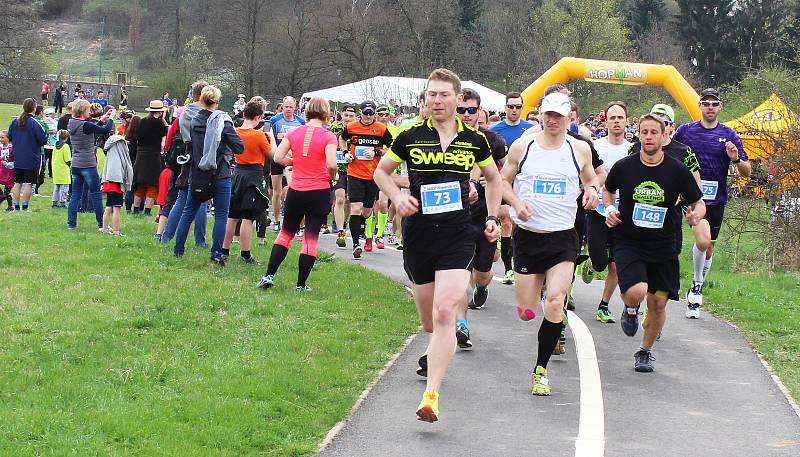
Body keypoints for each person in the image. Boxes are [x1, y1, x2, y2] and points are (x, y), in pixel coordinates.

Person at [374, 68, 502, 423]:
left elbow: (493, 178)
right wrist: (397, 195)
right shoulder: (409, 135)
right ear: (425, 99)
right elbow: (381, 172)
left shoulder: (475, 140)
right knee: (430, 318)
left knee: (446, 312)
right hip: (418, 234)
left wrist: (492, 217)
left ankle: (430, 395)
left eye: (444, 95)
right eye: (431, 94)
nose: (437, 100)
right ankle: (435, 346)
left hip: (458, 235)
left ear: (457, 99)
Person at [501, 92, 600, 395]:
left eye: (560, 115)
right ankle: (542, 301)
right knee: (526, 310)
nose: (554, 120)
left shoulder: (579, 149)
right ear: (541, 115)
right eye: (549, 115)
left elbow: (591, 179)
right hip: (530, 237)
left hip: (563, 238)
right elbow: (503, 181)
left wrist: (592, 191)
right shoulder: (523, 146)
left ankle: (540, 370)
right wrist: (516, 204)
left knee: (556, 300)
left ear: (570, 117)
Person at [604, 114, 705, 372]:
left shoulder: (677, 170)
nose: (648, 137)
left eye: (653, 132)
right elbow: (608, 189)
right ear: (638, 135)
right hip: (629, 241)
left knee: (658, 303)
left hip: (664, 246)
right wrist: (609, 210)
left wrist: (696, 214)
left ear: (663, 137)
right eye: (644, 132)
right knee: (637, 292)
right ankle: (630, 308)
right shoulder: (625, 166)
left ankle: (645, 351)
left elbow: (699, 202)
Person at [673, 88, 751, 318]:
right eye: (705, 103)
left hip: (716, 198)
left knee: (709, 247)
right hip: (691, 197)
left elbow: (746, 172)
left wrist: (735, 158)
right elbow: (670, 155)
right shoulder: (685, 131)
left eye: (714, 104)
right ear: (699, 105)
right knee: (702, 238)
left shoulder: (729, 134)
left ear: (720, 106)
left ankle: (696, 287)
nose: (710, 107)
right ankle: (696, 288)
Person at [256, 96, 337, 291]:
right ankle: (300, 285)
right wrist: (332, 177)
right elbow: (332, 163)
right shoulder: (328, 136)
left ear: (306, 111)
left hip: (296, 191)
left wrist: (296, 161)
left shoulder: (294, 132)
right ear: (326, 113)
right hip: (318, 191)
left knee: (285, 234)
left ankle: (268, 276)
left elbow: (277, 157)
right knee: (310, 238)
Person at [456, 87, 508, 349]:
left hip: (484, 216)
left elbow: (505, 173)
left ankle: (483, 288)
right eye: (461, 110)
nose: (466, 115)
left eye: (471, 110)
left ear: (480, 111)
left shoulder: (492, 140)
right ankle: (461, 324)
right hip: (457, 218)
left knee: (483, 274)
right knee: (460, 275)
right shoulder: (446, 140)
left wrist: (497, 212)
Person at [173, 85, 244, 265]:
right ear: (217, 102)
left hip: (198, 172)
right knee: (221, 214)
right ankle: (216, 253)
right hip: (220, 173)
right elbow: (239, 147)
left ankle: (178, 249)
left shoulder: (193, 119)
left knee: (188, 211)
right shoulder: (222, 121)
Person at [586, 101, 632, 323]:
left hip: (621, 213)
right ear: (605, 121)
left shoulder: (632, 149)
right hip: (598, 211)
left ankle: (604, 305)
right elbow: (586, 175)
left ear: (626, 121)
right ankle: (591, 263)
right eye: (612, 118)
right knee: (600, 262)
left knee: (617, 264)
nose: (616, 122)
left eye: (620, 118)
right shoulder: (595, 146)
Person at [340, 100, 393, 258]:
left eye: (371, 113)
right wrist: (345, 153)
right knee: (355, 208)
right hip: (355, 173)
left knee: (367, 210)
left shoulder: (381, 129)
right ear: (360, 113)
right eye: (365, 113)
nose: (368, 116)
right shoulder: (352, 127)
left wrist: (377, 153)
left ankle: (365, 230)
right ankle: (356, 244)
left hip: (373, 175)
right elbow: (342, 139)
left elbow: (390, 147)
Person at [491, 92, 535, 285]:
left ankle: (520, 260)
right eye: (511, 106)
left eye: (518, 106)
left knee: (519, 225)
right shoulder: (495, 130)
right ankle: (509, 269)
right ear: (505, 107)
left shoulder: (531, 130)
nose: (514, 110)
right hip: (504, 182)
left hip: (525, 185)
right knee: (508, 220)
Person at [160, 80, 209, 247]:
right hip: (201, 158)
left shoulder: (183, 113)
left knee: (181, 199)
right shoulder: (207, 114)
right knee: (201, 199)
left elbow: (173, 135)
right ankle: (200, 241)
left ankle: (166, 237)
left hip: (185, 157)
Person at [223, 100, 271, 264]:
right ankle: (245, 254)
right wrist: (271, 137)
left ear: (243, 114)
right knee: (247, 217)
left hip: (237, 173)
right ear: (259, 117)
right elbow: (274, 155)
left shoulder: (235, 132)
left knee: (232, 215)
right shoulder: (258, 135)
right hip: (253, 176)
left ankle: (224, 250)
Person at [66, 99, 115, 229]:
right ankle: (101, 224)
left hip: (76, 164)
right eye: (88, 110)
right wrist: (111, 118)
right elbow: (104, 130)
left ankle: (71, 224)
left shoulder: (71, 123)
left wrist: (102, 119)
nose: (90, 112)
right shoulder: (86, 125)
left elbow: (92, 128)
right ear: (83, 111)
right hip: (88, 163)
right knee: (96, 194)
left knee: (75, 195)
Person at [269, 96, 305, 232]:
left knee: (292, 188)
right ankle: (277, 220)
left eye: (291, 107)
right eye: (286, 107)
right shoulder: (275, 120)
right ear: (282, 106)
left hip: (293, 159)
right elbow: (268, 136)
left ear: (295, 108)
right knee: (277, 192)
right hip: (278, 158)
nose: (288, 109)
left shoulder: (301, 121)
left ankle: (296, 222)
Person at [7, 98, 47, 211]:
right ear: (34, 109)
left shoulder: (15, 122)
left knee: (17, 182)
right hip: (31, 157)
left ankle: (15, 206)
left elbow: (9, 136)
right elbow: (43, 140)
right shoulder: (35, 123)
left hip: (18, 157)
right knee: (29, 183)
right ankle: (24, 207)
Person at [132, 100, 168, 216]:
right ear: (160, 112)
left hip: (141, 155)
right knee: (153, 184)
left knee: (140, 183)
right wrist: (162, 119)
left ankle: (136, 209)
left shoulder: (142, 122)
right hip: (153, 156)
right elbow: (166, 131)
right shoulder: (159, 124)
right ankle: (147, 211)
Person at [330, 103, 357, 244]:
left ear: (355, 117)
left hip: (353, 168)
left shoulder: (358, 129)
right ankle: (340, 230)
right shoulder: (334, 128)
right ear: (341, 114)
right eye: (346, 115)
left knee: (348, 201)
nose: (348, 118)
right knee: (339, 198)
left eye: (351, 116)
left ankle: (344, 223)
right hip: (338, 168)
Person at [100, 133, 134, 235]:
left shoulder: (110, 153)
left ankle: (105, 229)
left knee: (108, 207)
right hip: (117, 184)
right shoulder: (120, 157)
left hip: (108, 183)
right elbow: (125, 170)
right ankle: (116, 231)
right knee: (117, 208)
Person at [51, 130, 72, 208]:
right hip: (63, 169)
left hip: (56, 169)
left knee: (57, 187)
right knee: (64, 187)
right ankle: (62, 202)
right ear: (66, 138)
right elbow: (68, 159)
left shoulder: (55, 146)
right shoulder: (65, 146)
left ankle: (55, 202)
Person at [0, 131, 14, 211]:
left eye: (2, 137)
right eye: (0, 137)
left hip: (10, 172)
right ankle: (1, 196)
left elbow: (15, 160)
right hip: (1, 170)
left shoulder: (12, 148)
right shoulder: (0, 147)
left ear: (8, 138)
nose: (1, 139)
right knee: (4, 193)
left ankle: (10, 206)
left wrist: (8, 164)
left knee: (7, 191)